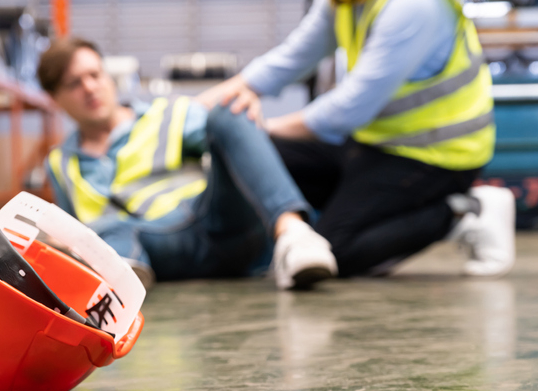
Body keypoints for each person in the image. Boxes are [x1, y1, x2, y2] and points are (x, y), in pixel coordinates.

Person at [198, 0, 515, 277]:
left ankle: (463, 212)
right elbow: (288, 61)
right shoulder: (342, 3)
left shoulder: (414, 7)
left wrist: (256, 130)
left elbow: (347, 110)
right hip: (374, 143)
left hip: (436, 157)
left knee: (332, 253)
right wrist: (194, 109)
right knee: (261, 160)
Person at [37, 37, 337, 290]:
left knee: (231, 109)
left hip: (215, 218)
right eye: (75, 83)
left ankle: (293, 235)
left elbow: (232, 134)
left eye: (95, 75)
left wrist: (244, 118)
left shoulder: (168, 114)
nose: (90, 88)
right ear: (55, 98)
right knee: (108, 230)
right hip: (151, 249)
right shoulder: (60, 164)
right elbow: (71, 232)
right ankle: (122, 286)